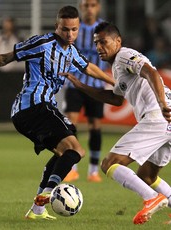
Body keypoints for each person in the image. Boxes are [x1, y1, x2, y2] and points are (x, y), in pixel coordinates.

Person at [0, 6, 114, 220]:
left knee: (64, 151)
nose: (70, 35)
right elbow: (5, 58)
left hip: (36, 110)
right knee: (76, 150)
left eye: (74, 30)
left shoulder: (71, 51)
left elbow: (88, 67)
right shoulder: (41, 44)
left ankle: (37, 210)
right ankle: (49, 194)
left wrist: (114, 81)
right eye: (65, 29)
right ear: (56, 27)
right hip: (33, 106)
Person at [61, 21, 171, 225]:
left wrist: (162, 104)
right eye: (96, 44)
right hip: (166, 122)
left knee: (110, 163)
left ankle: (151, 198)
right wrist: (81, 86)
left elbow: (151, 72)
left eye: (103, 42)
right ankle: (158, 195)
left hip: (158, 116)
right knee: (147, 175)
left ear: (117, 41)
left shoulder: (124, 55)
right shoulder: (118, 68)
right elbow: (115, 99)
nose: (99, 48)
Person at [64, 0, 108, 183]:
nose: (89, 8)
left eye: (92, 5)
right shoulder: (74, 29)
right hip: (74, 84)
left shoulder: (105, 29)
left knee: (94, 126)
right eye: (85, 5)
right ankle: (72, 168)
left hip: (96, 86)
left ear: (98, 7)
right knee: (70, 124)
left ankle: (93, 170)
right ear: (81, 7)